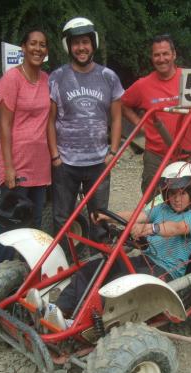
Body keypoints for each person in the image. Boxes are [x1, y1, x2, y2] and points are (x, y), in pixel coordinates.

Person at [51, 162, 191, 322]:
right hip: (144, 260)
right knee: (91, 268)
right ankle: (58, 310)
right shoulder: (162, 209)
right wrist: (107, 216)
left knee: (117, 283)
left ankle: (81, 321)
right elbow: (135, 216)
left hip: (165, 272)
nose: (176, 199)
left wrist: (149, 229)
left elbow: (175, 228)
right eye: (172, 193)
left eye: (182, 193)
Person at [47, 17, 124, 248]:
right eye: (76, 43)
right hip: (65, 162)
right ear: (68, 46)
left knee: (99, 216)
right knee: (62, 217)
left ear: (93, 43)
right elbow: (49, 120)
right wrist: (55, 156)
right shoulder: (57, 77)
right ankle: (65, 262)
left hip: (99, 161)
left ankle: (97, 260)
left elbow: (117, 117)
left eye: (85, 42)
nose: (81, 47)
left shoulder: (108, 77)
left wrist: (113, 152)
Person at [0, 28, 51, 264]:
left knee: (35, 224)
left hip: (40, 165)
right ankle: (2, 277)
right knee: (11, 226)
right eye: (33, 44)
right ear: (23, 47)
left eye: (42, 45)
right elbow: (4, 126)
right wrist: (8, 167)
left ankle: (28, 276)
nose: (38, 49)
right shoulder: (12, 79)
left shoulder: (47, 79)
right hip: (17, 164)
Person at [121, 34, 191, 193]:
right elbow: (122, 104)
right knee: (151, 203)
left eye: (165, 53)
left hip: (185, 155)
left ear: (174, 54)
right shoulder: (143, 85)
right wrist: (140, 125)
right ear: (152, 57)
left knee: (186, 205)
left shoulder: (190, 78)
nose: (161, 59)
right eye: (157, 55)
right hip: (156, 156)